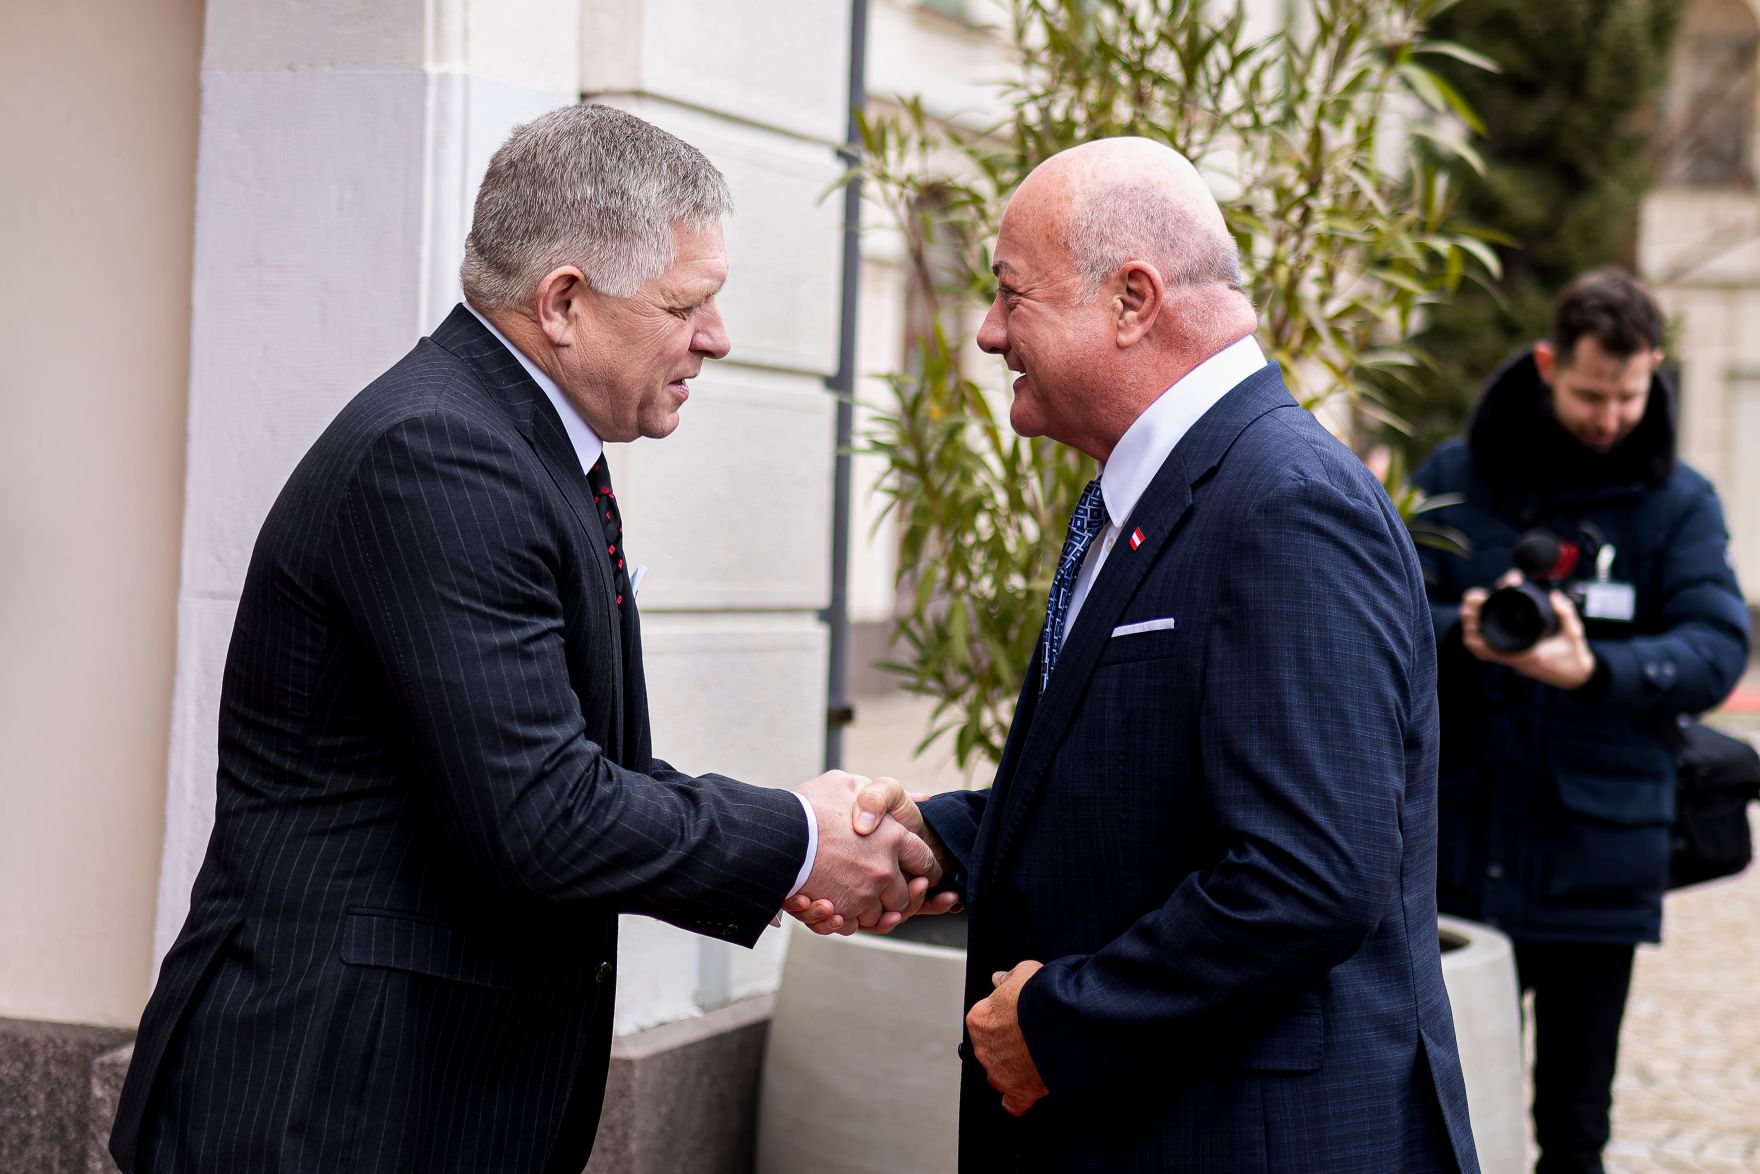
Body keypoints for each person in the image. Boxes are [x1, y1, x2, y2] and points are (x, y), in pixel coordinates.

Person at [108, 104, 938, 1174]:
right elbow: (542, 812)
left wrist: (792, 856)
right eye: (689, 303)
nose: (717, 337)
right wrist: (794, 836)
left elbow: (571, 775)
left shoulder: (514, 443)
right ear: (562, 303)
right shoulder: (441, 454)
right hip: (329, 1104)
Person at [821, 137, 1480, 1171]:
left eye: (1008, 294)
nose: (988, 334)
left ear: (1132, 300)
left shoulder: (1285, 504)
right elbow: (1142, 799)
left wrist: (1057, 1023)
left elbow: (1309, 875)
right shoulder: (1148, 495)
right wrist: (939, 839)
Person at [1412, 269, 1749, 1174]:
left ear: (1656, 372)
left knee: (1575, 1127)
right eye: (1591, 393)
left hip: (1597, 863)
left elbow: (1719, 645)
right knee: (1446, 1111)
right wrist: (1468, 633)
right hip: (1457, 850)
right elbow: (1381, 614)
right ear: (1549, 364)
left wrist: (1595, 668)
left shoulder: (1680, 502)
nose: (1610, 416)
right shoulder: (1456, 475)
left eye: (1629, 395)